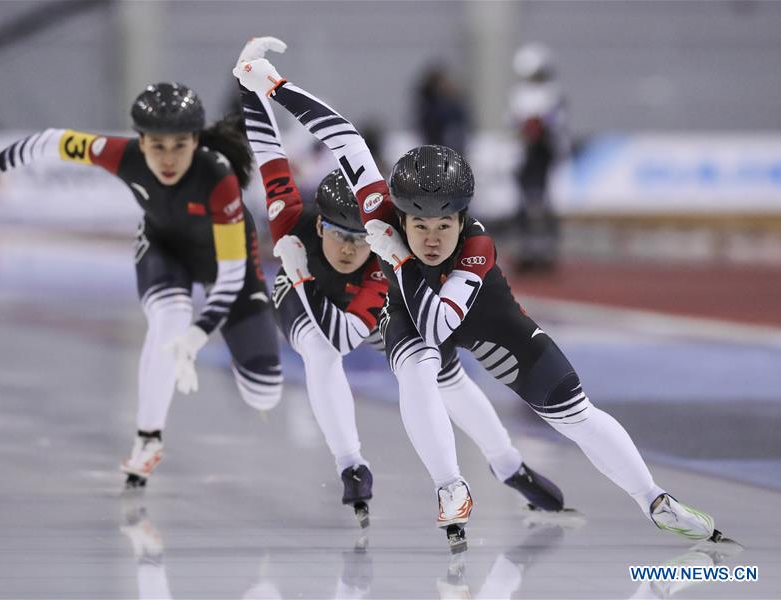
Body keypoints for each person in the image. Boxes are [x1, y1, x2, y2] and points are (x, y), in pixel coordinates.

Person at [233, 47, 725, 550]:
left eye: (443, 225)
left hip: (480, 316)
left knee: (575, 413)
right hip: (408, 312)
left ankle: (654, 500)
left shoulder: (476, 247)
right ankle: (451, 486)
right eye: (418, 225)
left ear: (463, 219)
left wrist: (399, 258)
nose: (431, 238)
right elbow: (342, 135)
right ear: (397, 213)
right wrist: (271, 86)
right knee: (417, 372)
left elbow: (441, 324)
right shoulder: (376, 212)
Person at [234, 38, 567, 543]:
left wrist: (303, 269)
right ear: (317, 225)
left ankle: (508, 465)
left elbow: (350, 335)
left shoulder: (379, 261)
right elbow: (268, 151)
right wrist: (248, 85)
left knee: (446, 375)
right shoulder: (289, 221)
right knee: (319, 351)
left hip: (342, 299)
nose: (350, 248)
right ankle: (351, 464)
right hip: (303, 295)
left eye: (359, 239)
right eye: (339, 236)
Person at [0, 82, 283, 489]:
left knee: (264, 392)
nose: (168, 159)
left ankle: (244, 365)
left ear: (196, 140)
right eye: (157, 146)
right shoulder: (120, 154)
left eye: (179, 145)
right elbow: (49, 142)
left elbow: (231, 277)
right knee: (169, 320)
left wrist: (199, 335)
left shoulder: (217, 177)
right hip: (164, 250)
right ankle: (148, 439)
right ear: (140, 141)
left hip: (223, 260)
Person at [508, 43, 567, 272]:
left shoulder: (553, 94)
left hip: (543, 152)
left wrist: (541, 128)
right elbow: (511, 122)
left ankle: (545, 248)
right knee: (524, 202)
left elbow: (557, 123)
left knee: (543, 201)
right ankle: (525, 248)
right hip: (524, 153)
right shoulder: (519, 95)